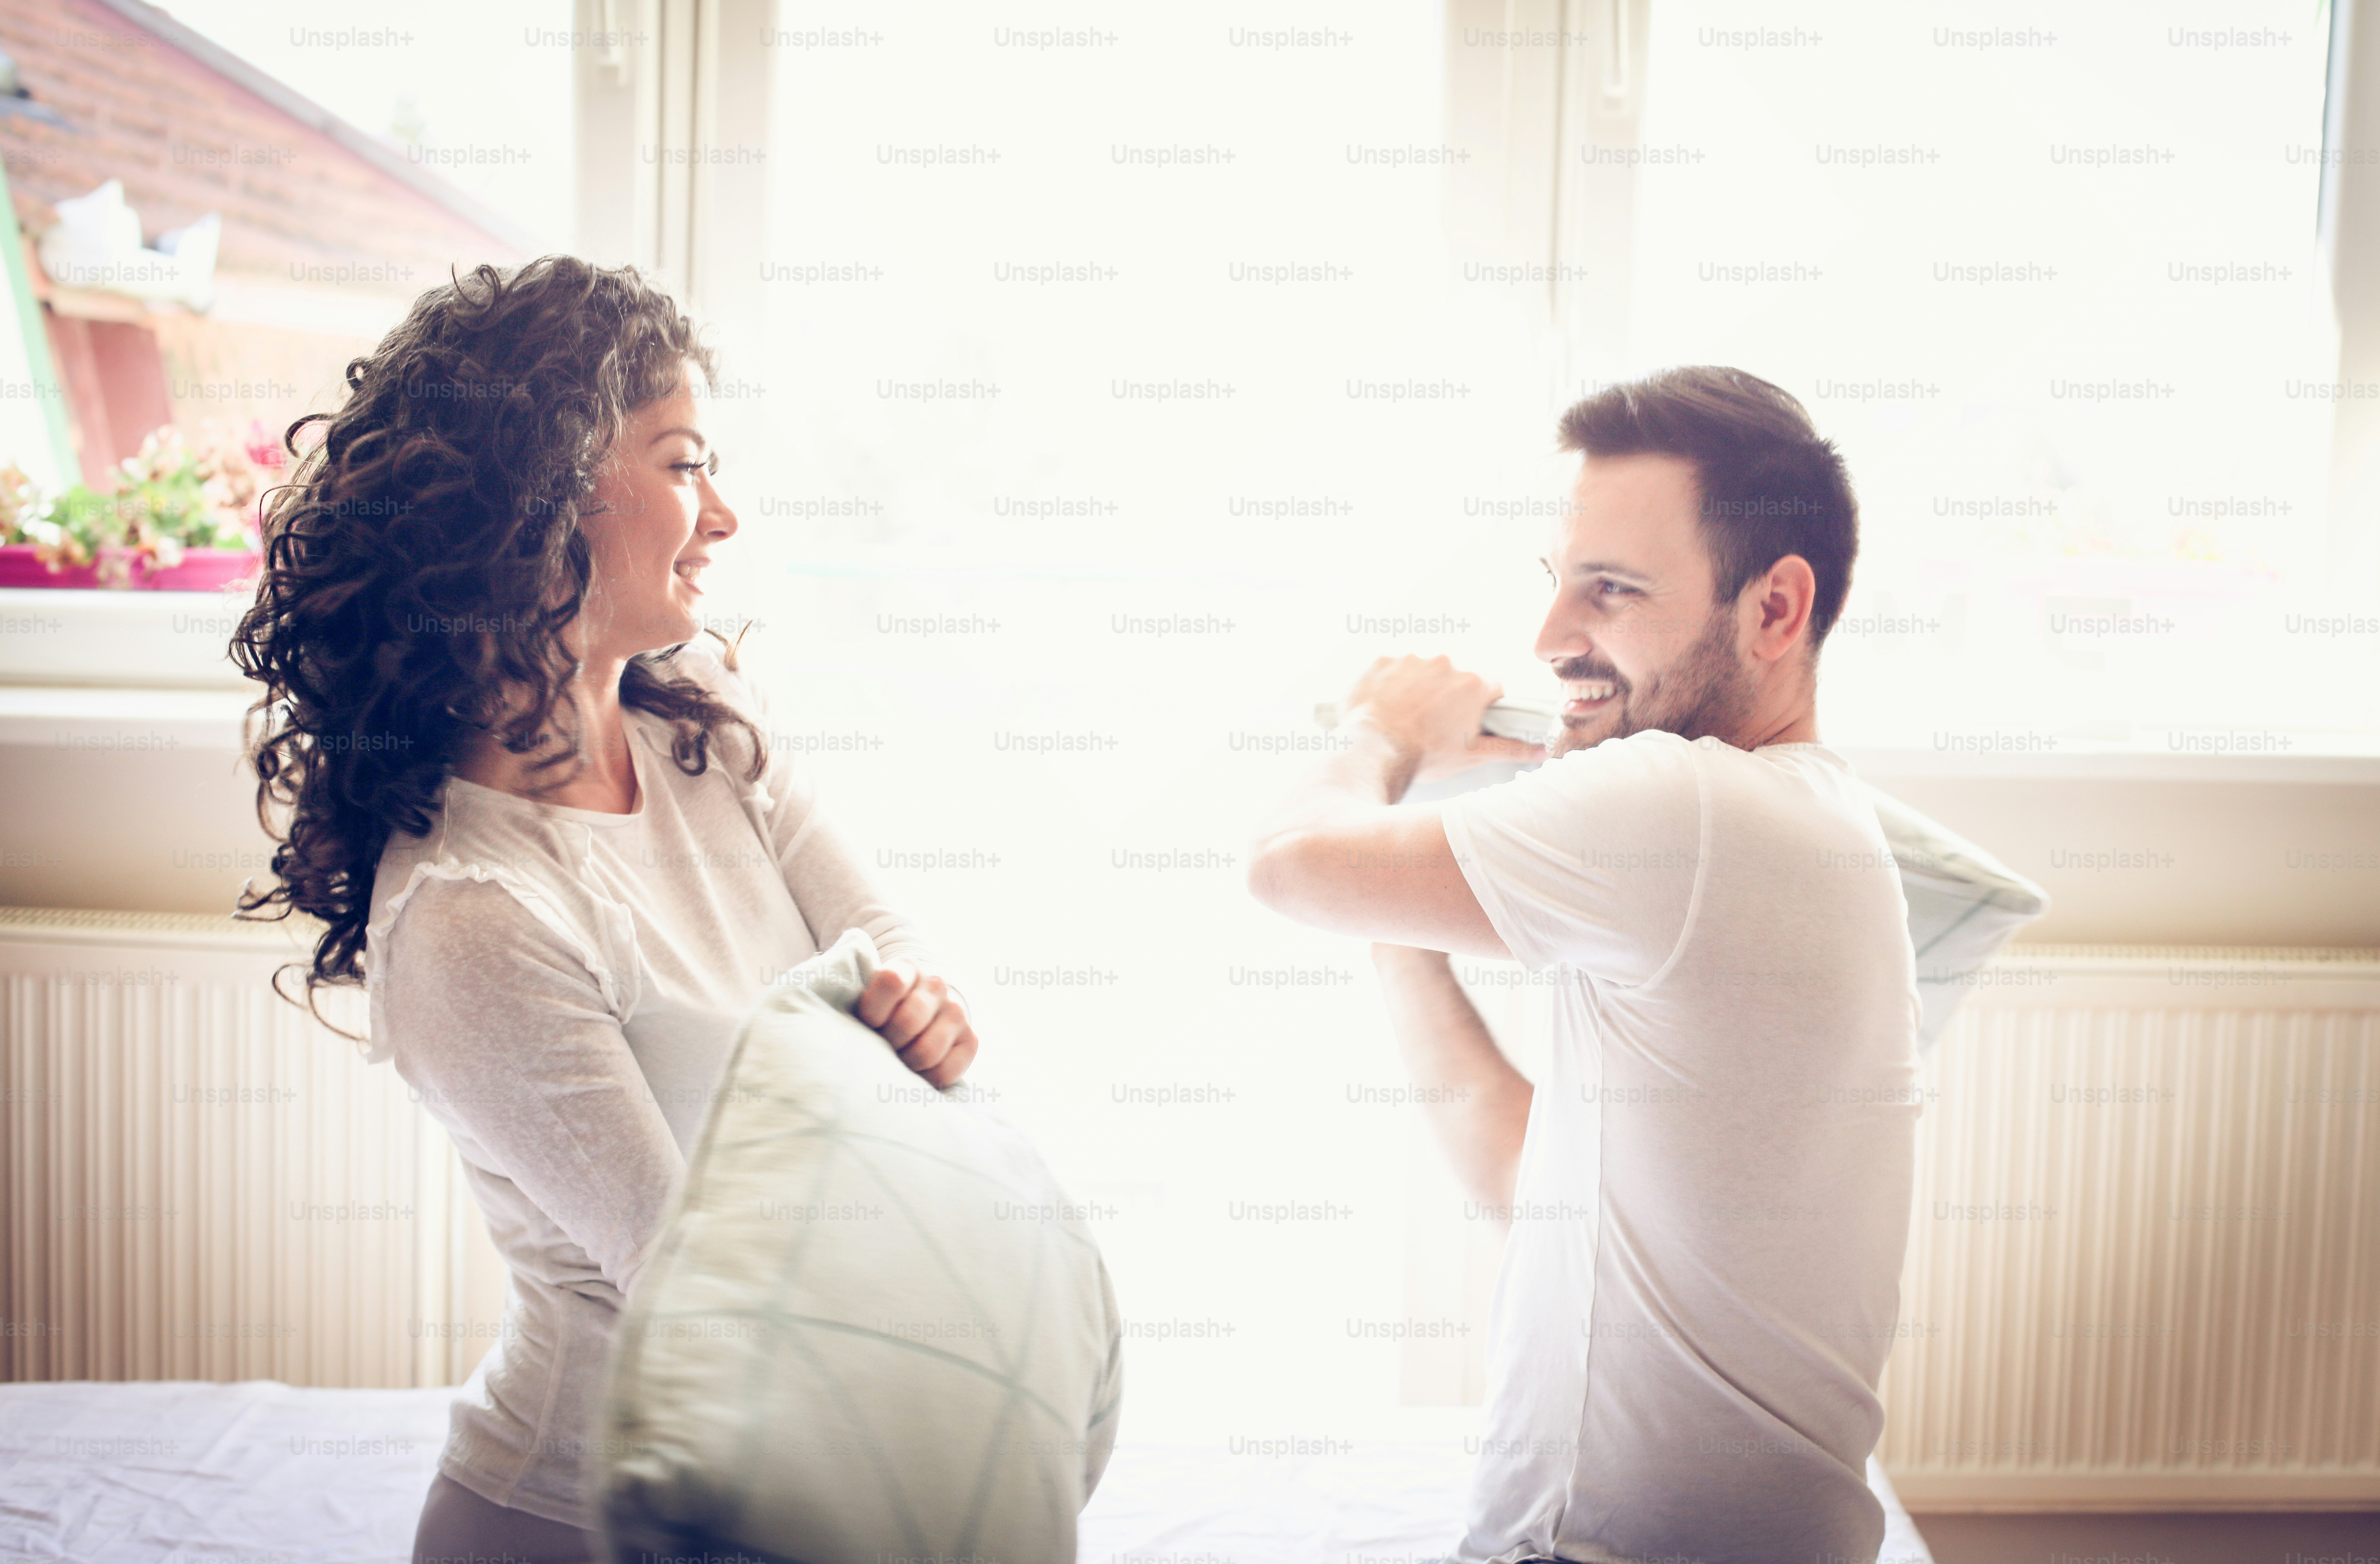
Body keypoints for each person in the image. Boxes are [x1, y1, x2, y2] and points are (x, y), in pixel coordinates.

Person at [231, 257, 979, 1564]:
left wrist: (926, 1018)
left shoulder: (714, 733)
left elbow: (897, 962)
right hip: (579, 1522)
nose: (726, 516)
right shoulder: (474, 914)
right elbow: (704, 1295)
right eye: (686, 465)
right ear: (539, 498)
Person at [1247, 366, 1922, 1564]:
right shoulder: (1798, 817)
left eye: (1610, 592)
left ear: (1775, 610)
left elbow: (1288, 863)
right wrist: (1412, 897)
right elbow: (1530, 1180)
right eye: (1558, 585)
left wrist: (1384, 735)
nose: (1554, 638)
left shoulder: (1686, 804)